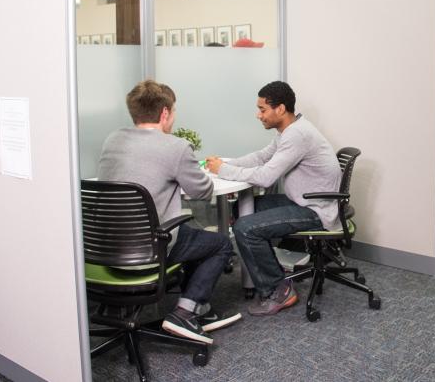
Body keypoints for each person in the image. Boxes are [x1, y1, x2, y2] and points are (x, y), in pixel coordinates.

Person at [97, 80, 240, 344]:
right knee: (219, 244)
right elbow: (202, 192)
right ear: (165, 113)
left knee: (192, 235)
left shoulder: (112, 139)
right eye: (173, 112)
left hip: (104, 245)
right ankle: (185, 312)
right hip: (150, 246)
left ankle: (200, 308)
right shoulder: (175, 146)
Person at [205, 81, 341, 316]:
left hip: (315, 209)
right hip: (302, 200)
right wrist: (226, 164)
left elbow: (266, 177)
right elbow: (262, 157)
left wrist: (223, 171)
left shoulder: (298, 134)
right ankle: (273, 272)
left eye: (262, 109)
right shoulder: (290, 130)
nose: (258, 115)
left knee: (246, 227)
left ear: (280, 109)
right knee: (242, 209)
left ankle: (278, 290)